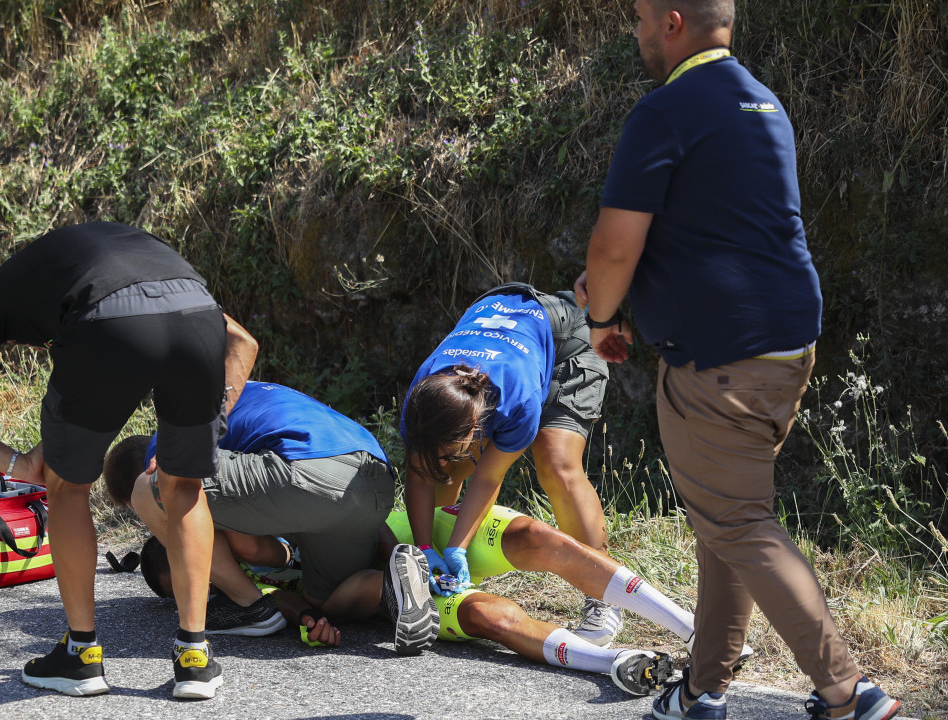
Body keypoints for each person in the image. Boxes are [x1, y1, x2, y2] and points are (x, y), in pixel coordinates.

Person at [577, 2, 900, 719]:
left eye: (636, 18)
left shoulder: (665, 111)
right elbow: (713, 235)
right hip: (786, 344)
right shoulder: (762, 103)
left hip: (719, 358)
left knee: (741, 522)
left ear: (671, 21)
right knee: (726, 516)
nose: (633, 34)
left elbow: (614, 246)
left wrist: (601, 317)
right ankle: (704, 686)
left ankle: (849, 691)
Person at [0, 222, 229, 700]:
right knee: (183, 487)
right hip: (201, 313)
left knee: (66, 487)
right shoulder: (83, 253)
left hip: (108, 321)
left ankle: (81, 655)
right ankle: (195, 657)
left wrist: (19, 464)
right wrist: (211, 420)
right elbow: (231, 335)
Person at [131, 502, 729, 699]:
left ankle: (692, 627)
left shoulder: (240, 512)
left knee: (536, 537)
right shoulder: (249, 594)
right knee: (485, 617)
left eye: (197, 569)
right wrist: (315, 622)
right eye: (190, 589)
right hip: (393, 586)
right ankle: (616, 665)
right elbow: (295, 611)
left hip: (413, 532)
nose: (203, 585)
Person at [103, 363, 440, 655]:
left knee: (154, 489)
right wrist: (395, 549)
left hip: (305, 472)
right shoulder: (241, 393)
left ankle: (251, 606)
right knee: (327, 599)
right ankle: (393, 583)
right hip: (375, 478)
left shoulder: (165, 440)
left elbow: (246, 544)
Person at [400, 282, 624, 644]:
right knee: (444, 464)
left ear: (478, 424)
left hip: (567, 342)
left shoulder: (516, 404)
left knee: (556, 463)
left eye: (455, 446)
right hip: (504, 328)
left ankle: (604, 591)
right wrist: (428, 548)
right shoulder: (423, 400)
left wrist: (458, 548)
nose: (442, 458)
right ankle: (440, 570)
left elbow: (488, 477)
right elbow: (420, 472)